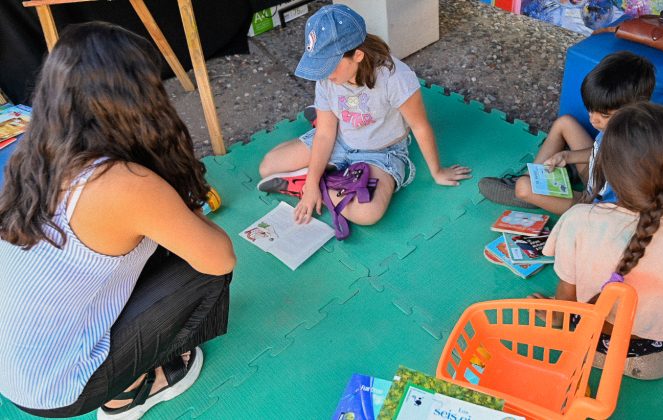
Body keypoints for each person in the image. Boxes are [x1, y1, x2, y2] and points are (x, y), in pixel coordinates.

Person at [0, 22, 236, 418]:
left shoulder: (33, 151)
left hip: (15, 369)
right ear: (138, 99)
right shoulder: (124, 183)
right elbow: (219, 258)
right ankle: (127, 391)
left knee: (159, 242)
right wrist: (177, 192)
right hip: (61, 387)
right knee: (205, 269)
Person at [538, 103, 663, 380]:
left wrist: (557, 318)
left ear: (606, 169)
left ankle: (593, 354)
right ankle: (625, 363)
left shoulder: (578, 218)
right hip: (645, 346)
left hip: (587, 328)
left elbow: (567, 296)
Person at [257, 4, 471, 226]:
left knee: (367, 214)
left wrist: (437, 171)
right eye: (318, 64)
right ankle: (321, 173)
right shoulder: (327, 77)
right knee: (267, 167)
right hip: (340, 138)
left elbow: (419, 126)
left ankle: (323, 179)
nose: (323, 73)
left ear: (358, 55)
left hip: (381, 152)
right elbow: (325, 134)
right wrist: (309, 186)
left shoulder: (395, 77)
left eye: (329, 64)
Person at [479, 51, 655, 215]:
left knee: (523, 188)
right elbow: (599, 152)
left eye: (604, 115)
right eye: (591, 110)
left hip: (594, 206)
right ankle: (534, 177)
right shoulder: (619, 126)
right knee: (565, 123)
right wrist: (566, 156)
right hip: (595, 176)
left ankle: (537, 193)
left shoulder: (634, 154)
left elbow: (627, 206)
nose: (593, 120)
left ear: (634, 110)